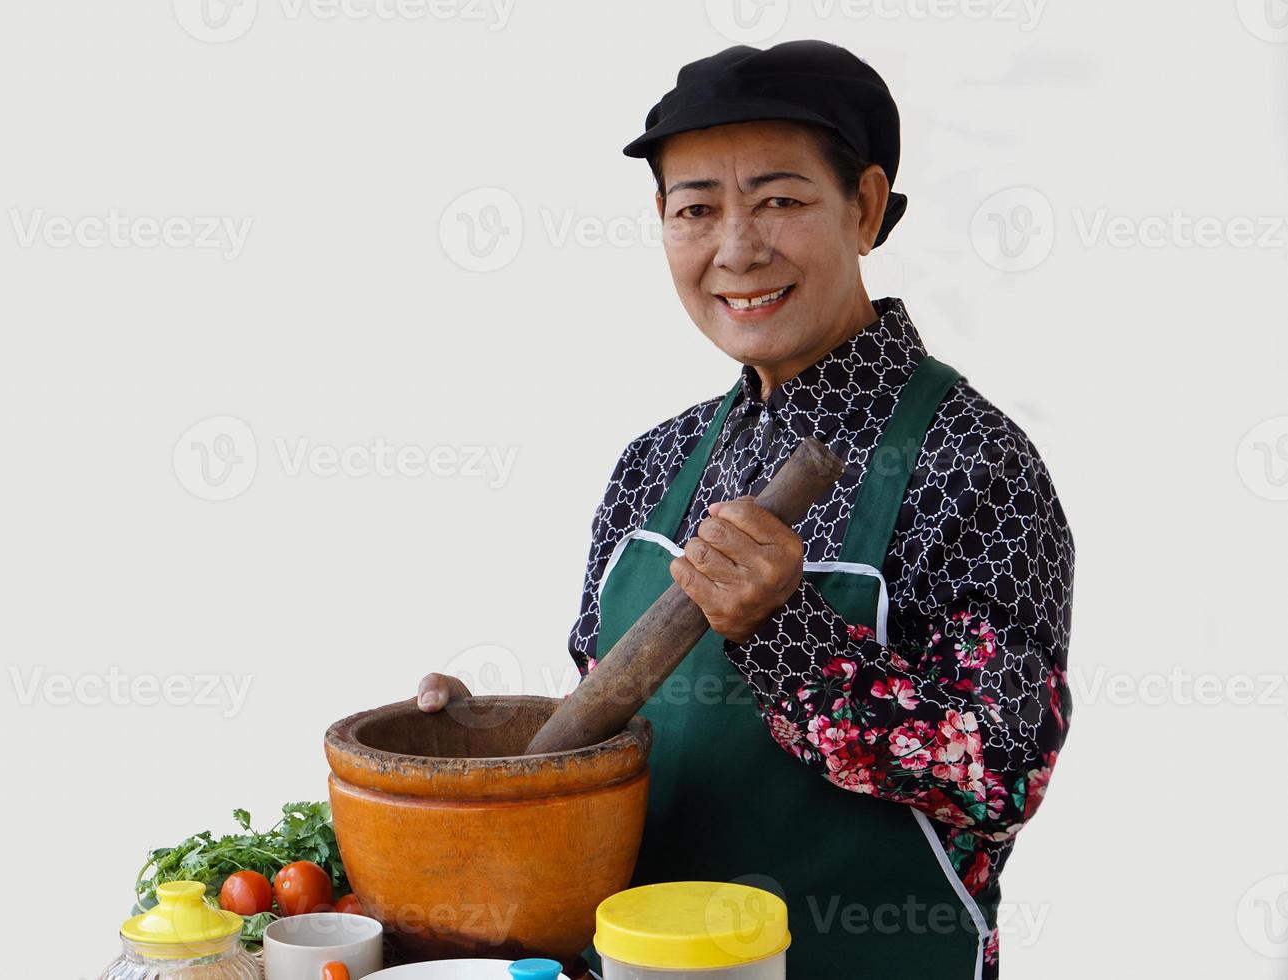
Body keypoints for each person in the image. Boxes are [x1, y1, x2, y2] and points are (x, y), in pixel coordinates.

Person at [418, 39, 1074, 980]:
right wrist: (491, 748)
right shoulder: (652, 462)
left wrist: (784, 632)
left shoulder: (974, 465)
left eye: (779, 200)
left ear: (865, 206)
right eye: (696, 209)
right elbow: (616, 728)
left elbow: (999, 772)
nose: (736, 248)